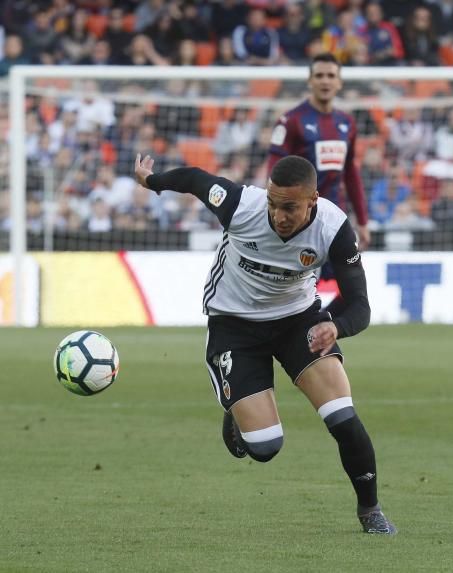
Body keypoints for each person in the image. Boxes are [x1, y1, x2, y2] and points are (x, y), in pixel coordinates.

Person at [132, 152, 395, 535]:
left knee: (342, 416)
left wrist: (335, 327)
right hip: (235, 326)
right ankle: (237, 411)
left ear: (313, 201)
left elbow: (360, 305)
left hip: (297, 322)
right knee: (265, 447)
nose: (279, 215)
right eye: (274, 204)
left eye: (289, 207)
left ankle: (370, 509)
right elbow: (194, 179)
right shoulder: (242, 205)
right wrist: (151, 182)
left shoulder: (334, 228)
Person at [268, 53, 371, 251]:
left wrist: (363, 221)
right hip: (299, 224)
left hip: (335, 219)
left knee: (341, 280)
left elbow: (350, 174)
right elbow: (274, 176)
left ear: (339, 82)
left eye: (331, 76)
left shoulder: (346, 123)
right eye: (320, 75)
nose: (325, 81)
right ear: (310, 80)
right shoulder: (291, 121)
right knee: (304, 282)